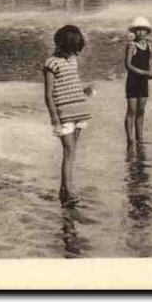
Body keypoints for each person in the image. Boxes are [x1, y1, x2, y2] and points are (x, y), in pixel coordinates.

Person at [43, 25, 93, 208]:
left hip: (79, 111)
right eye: (75, 49)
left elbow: (70, 86)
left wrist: (84, 90)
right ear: (65, 45)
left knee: (71, 153)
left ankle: (64, 192)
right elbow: (49, 95)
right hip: (64, 115)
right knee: (69, 152)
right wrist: (54, 120)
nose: (77, 53)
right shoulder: (51, 64)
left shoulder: (72, 61)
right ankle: (68, 190)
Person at [124, 16, 152, 146]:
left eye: (143, 30)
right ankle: (130, 138)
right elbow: (128, 65)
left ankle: (139, 137)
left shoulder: (149, 46)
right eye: (138, 30)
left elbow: (149, 62)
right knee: (131, 110)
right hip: (132, 81)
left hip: (144, 82)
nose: (140, 33)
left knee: (141, 110)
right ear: (134, 31)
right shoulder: (131, 45)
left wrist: (151, 72)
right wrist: (144, 73)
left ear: (147, 31)